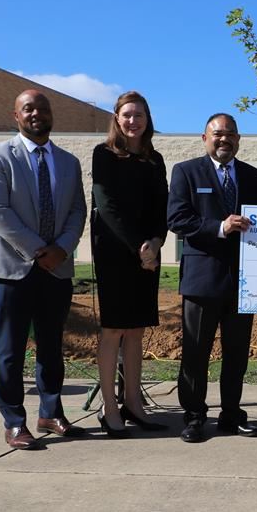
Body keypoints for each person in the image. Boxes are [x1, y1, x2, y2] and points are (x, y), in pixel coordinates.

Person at [0, 90, 87, 449]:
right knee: (10, 348)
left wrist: (62, 249)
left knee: (52, 347)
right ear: (16, 115)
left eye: (43, 108)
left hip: (56, 268)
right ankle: (13, 421)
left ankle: (50, 412)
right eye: (29, 109)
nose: (37, 113)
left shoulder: (69, 162)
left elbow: (77, 212)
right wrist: (39, 250)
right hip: (13, 267)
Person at [166, 113, 257, 443]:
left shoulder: (255, 176)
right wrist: (220, 227)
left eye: (230, 134)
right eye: (218, 134)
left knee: (237, 353)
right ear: (204, 137)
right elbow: (177, 219)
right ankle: (194, 416)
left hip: (243, 281)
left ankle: (231, 413)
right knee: (196, 352)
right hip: (201, 279)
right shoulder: (186, 172)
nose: (224, 140)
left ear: (239, 139)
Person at [90, 91, 169, 437]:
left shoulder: (155, 160)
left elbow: (161, 208)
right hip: (114, 254)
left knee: (136, 330)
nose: (133, 121)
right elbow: (107, 207)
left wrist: (155, 242)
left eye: (139, 115)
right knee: (114, 330)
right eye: (127, 115)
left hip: (147, 254)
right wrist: (139, 249)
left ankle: (134, 404)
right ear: (117, 118)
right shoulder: (104, 155)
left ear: (147, 119)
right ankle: (110, 409)